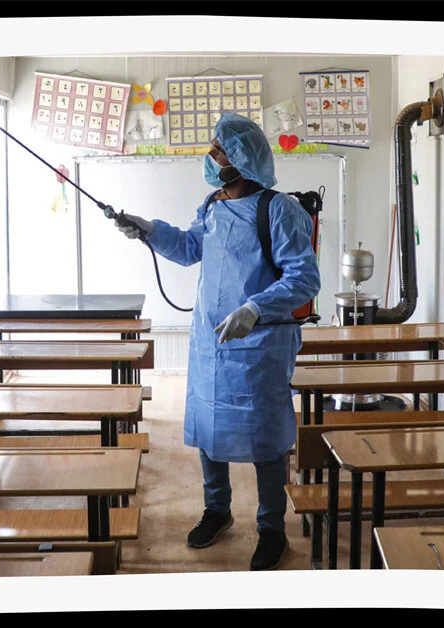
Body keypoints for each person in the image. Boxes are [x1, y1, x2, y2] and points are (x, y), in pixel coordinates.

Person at [116, 113, 321, 571]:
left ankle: (272, 529)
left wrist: (255, 308)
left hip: (259, 345)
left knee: (265, 438)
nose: (211, 157)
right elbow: (191, 248)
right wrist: (148, 230)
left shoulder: (278, 210)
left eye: (218, 151)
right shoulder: (212, 205)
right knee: (210, 428)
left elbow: (305, 278)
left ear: (242, 159)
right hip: (211, 343)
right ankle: (218, 510)